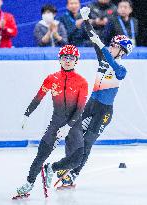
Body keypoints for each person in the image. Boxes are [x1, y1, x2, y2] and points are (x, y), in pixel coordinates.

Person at [57, 6, 133, 186]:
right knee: (74, 135)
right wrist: (86, 20)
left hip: (103, 112)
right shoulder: (104, 57)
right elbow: (94, 39)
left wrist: (102, 46)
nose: (110, 47)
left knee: (87, 142)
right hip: (91, 104)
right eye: (111, 44)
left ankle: (74, 174)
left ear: (122, 51)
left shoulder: (121, 69)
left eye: (114, 46)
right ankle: (68, 163)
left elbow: (115, 66)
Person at [16, 44, 88, 194]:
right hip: (56, 123)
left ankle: (52, 168)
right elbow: (38, 98)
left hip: (74, 124)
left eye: (71, 58)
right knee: (41, 154)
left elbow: (80, 108)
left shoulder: (82, 82)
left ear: (76, 61)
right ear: (60, 59)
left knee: (77, 159)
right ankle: (29, 183)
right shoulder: (51, 78)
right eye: (65, 57)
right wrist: (27, 114)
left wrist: (68, 126)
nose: (68, 60)